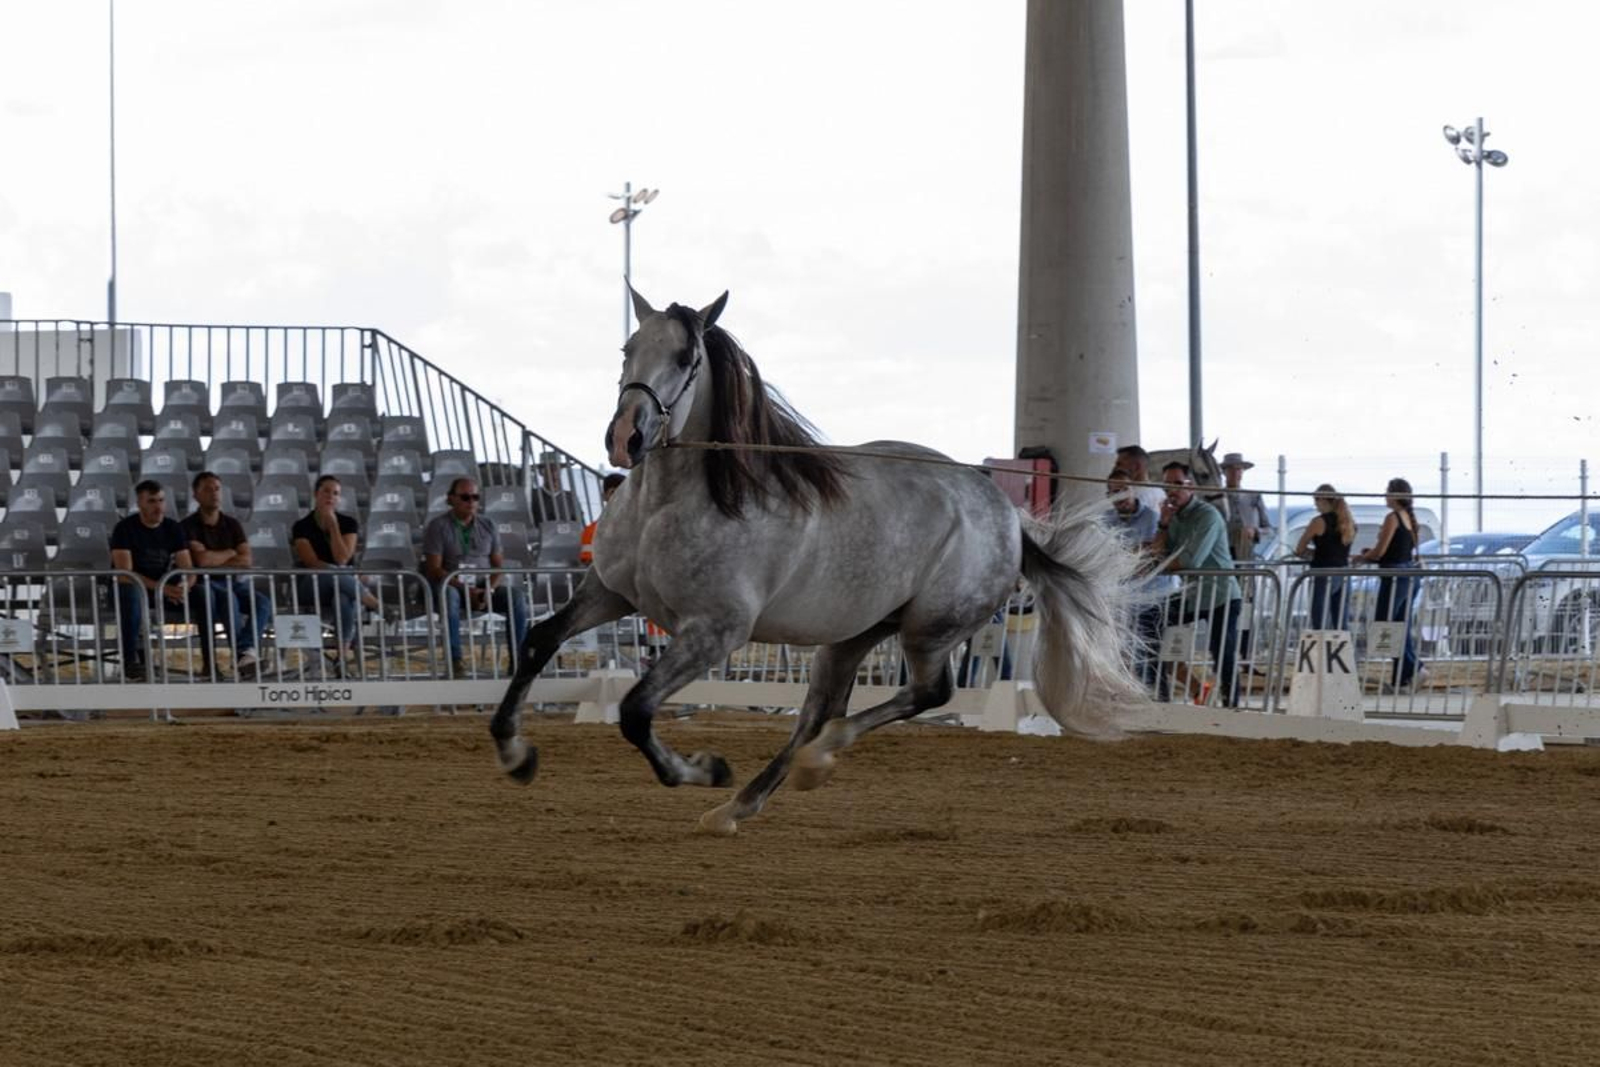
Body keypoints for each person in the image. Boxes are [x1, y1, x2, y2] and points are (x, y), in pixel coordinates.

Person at [1152, 462, 1242, 707]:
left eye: (1177, 484)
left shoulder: (1208, 515)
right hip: (1193, 593)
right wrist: (1162, 524)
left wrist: (1159, 564)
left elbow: (1189, 560)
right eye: (1167, 485)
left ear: (1190, 486)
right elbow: (1157, 552)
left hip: (1220, 594)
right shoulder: (1174, 518)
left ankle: (1231, 705)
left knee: (1222, 652)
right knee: (1152, 622)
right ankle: (1162, 695)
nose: (1172, 490)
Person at [422, 476, 531, 678]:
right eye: (465, 497)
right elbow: (434, 568)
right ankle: (455, 661)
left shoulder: (488, 525)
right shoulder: (437, 526)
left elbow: (498, 565)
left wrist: (488, 590)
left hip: (482, 587)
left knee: (516, 597)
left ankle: (518, 660)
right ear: (451, 499)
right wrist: (466, 589)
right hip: (452, 585)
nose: (471, 502)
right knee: (450, 597)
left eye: (475, 497)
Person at [181, 470, 274, 679]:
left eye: (217, 489)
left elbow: (246, 560)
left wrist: (216, 557)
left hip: (231, 581)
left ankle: (245, 650)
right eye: (207, 489)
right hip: (203, 584)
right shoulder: (187, 526)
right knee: (228, 598)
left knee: (262, 602)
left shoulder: (232, 524)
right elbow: (201, 562)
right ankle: (243, 656)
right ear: (195, 495)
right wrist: (231, 553)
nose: (214, 493)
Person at [291, 474, 380, 675]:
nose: (331, 497)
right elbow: (312, 563)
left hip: (343, 585)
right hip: (312, 585)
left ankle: (341, 658)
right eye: (326, 492)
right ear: (316, 494)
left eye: (336, 494)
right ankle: (372, 602)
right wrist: (342, 573)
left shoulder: (347, 524)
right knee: (333, 572)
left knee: (343, 597)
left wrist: (333, 526)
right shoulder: (301, 526)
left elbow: (342, 558)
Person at [110, 480, 195, 682]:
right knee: (130, 594)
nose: (158, 506)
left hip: (162, 588)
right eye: (152, 501)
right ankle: (130, 661)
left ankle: (215, 662)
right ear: (140, 503)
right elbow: (125, 573)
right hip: (134, 588)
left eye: (161, 501)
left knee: (205, 594)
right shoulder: (124, 528)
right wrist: (164, 589)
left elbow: (188, 568)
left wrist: (184, 586)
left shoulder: (172, 527)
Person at [1353, 477, 1425, 691]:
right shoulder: (1409, 518)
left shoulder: (1392, 518)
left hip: (1394, 576)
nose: (1385, 495)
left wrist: (1363, 557)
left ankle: (1414, 667)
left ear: (1396, 495)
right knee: (1399, 625)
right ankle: (1403, 677)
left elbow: (1382, 550)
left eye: (1387, 491)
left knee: (1386, 624)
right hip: (1408, 573)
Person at [1104, 467, 1170, 686]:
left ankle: (1158, 705)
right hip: (1119, 601)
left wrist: (1125, 557)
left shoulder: (1152, 518)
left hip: (1150, 599)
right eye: (1114, 492)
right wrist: (1132, 555)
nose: (1120, 497)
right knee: (1120, 657)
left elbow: (1149, 559)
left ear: (1133, 490)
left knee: (1148, 657)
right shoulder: (1105, 521)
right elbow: (1105, 557)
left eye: (1123, 490)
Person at [1294, 483, 1356, 630]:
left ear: (1323, 500)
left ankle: (1321, 652)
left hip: (1323, 573)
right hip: (1344, 574)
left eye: (1316, 500)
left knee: (1319, 621)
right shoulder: (1349, 522)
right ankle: (1341, 652)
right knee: (1340, 623)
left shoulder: (1318, 521)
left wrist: (1311, 552)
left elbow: (1299, 548)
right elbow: (1337, 549)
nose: (1315, 504)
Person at [1220, 452, 1274, 561]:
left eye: (1238, 469)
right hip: (1221, 555)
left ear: (1243, 471)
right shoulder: (1217, 497)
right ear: (1224, 472)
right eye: (1231, 469)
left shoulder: (1254, 496)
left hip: (1247, 557)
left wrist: (1255, 531)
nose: (1235, 473)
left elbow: (1269, 530)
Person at [579, 472, 627, 566]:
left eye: (623, 492)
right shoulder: (591, 531)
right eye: (613, 492)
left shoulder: (639, 526)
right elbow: (590, 565)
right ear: (604, 496)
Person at [531, 451, 582, 525]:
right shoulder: (533, 496)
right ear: (541, 472)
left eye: (557, 469)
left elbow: (579, 526)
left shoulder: (571, 497)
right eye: (550, 470)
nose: (554, 475)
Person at [1114, 444, 1168, 515]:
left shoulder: (1131, 498)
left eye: (1119, 464)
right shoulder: (1160, 493)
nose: (1115, 469)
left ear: (1137, 467)